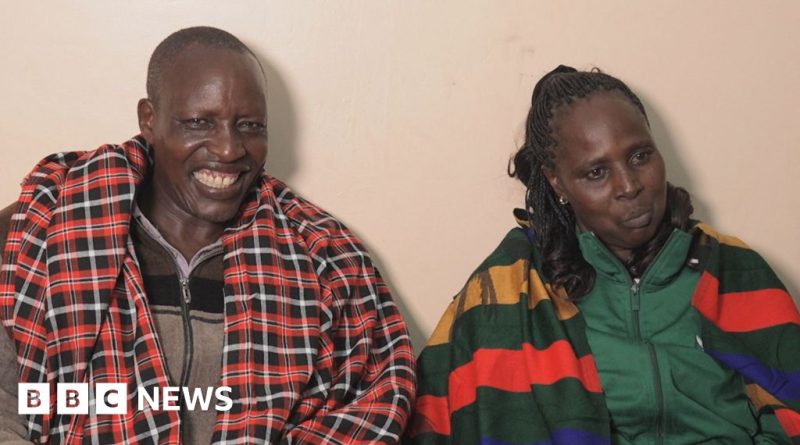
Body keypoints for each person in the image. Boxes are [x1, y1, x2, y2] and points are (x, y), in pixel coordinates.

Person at [0, 26, 415, 444]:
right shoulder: (42, 230)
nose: (229, 149)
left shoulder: (325, 259)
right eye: (199, 122)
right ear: (149, 119)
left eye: (250, 125)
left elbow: (371, 406)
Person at [406, 66, 799, 444]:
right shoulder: (515, 289)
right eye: (596, 172)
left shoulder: (729, 267)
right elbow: (433, 418)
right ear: (558, 182)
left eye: (640, 156)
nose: (629, 186)